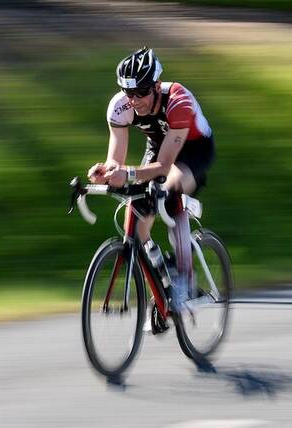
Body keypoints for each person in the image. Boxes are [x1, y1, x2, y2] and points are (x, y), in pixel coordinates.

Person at [87, 47, 215, 312]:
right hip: (158, 145)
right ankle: (159, 289)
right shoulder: (120, 107)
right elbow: (116, 159)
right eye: (128, 93)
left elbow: (166, 166)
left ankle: (186, 278)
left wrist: (130, 174)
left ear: (157, 85)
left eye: (141, 93)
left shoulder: (179, 101)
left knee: (169, 192)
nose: (134, 100)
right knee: (135, 223)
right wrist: (106, 171)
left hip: (193, 150)